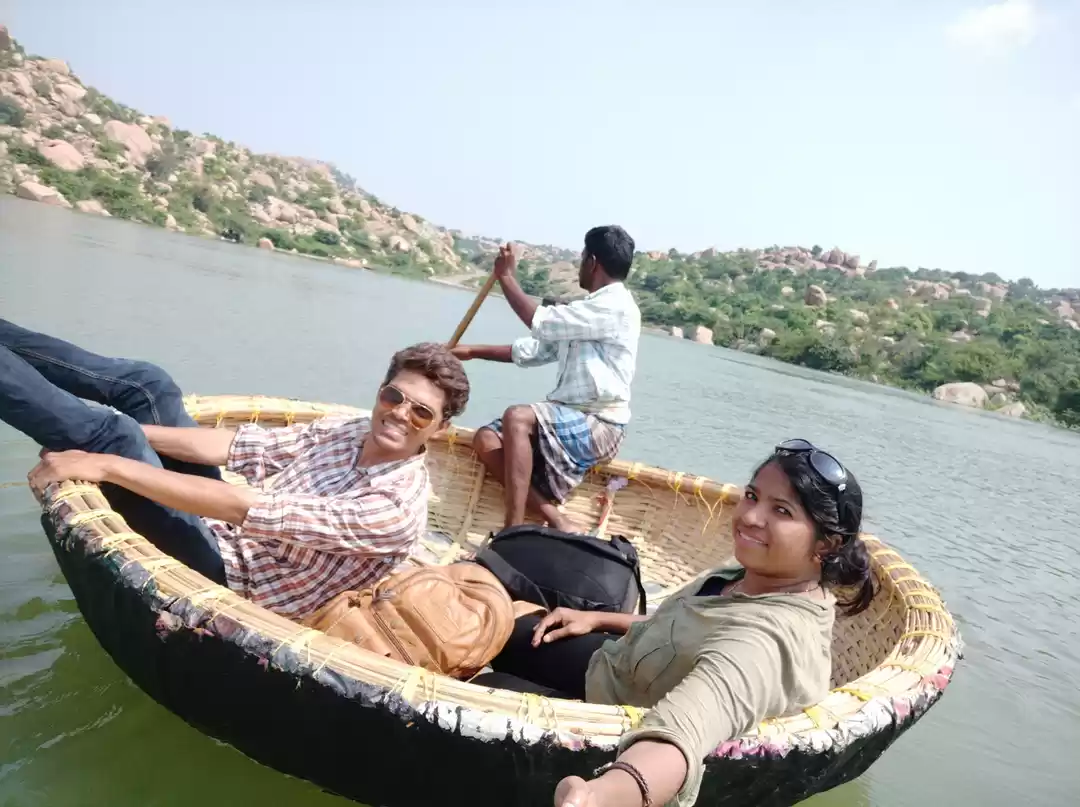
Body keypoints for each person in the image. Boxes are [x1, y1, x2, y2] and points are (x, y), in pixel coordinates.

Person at [470, 439, 875, 807]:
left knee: (479, 692)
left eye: (781, 511)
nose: (750, 516)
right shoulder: (755, 578)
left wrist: (599, 798)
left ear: (827, 544)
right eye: (752, 495)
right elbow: (682, 626)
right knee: (489, 627)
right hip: (617, 664)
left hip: (611, 718)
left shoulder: (764, 644)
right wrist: (597, 618)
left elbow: (680, 733)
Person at [1, 318, 470, 621]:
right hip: (225, 529)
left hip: (233, 579)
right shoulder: (351, 431)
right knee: (149, 387)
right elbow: (240, 446)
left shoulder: (394, 509)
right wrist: (138, 433)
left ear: (441, 429)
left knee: (113, 439)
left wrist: (108, 457)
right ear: (381, 391)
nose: (399, 415)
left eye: (421, 413)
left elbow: (245, 505)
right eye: (393, 397)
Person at [451, 225, 641, 532]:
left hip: (600, 425)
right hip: (570, 418)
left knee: (518, 418)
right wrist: (470, 351)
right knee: (486, 440)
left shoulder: (616, 307)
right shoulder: (588, 310)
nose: (580, 264)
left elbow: (541, 323)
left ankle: (511, 531)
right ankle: (554, 518)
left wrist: (506, 277)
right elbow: (534, 350)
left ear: (591, 261)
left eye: (581, 258)